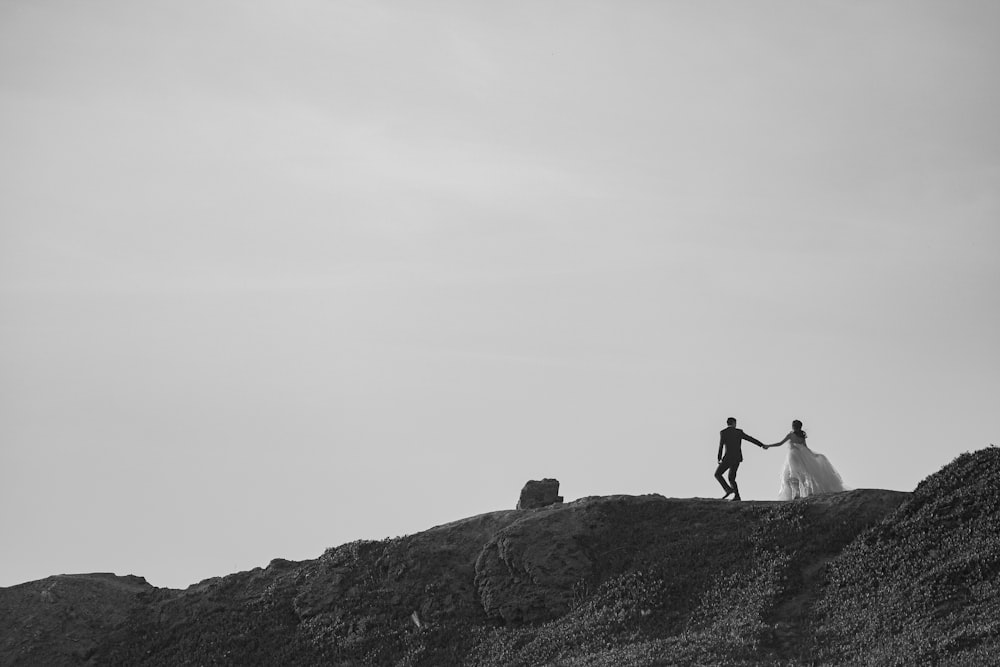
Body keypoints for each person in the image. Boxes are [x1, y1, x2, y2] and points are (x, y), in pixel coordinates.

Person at [765, 420, 845, 500]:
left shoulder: (791, 435)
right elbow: (805, 447)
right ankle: (801, 493)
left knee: (794, 474)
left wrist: (768, 446)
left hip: (794, 456)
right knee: (800, 474)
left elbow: (780, 443)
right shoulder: (801, 435)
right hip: (801, 455)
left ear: (794, 426)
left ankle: (798, 494)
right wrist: (813, 455)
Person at [716, 417, 767, 501]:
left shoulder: (723, 432)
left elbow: (721, 445)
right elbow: (750, 439)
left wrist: (719, 457)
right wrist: (761, 445)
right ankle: (736, 495)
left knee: (718, 474)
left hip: (728, 458)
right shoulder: (738, 432)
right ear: (734, 423)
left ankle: (729, 490)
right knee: (731, 478)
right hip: (736, 458)